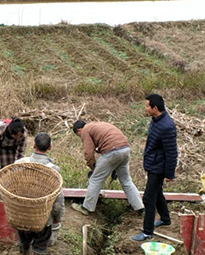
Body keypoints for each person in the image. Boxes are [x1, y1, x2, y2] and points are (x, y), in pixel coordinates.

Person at [15, 133, 64, 255]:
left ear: (33, 146)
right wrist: (57, 218)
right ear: (50, 147)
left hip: (22, 214)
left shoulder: (20, 163)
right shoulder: (53, 170)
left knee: (24, 241)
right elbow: (57, 200)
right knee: (40, 245)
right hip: (42, 218)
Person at [131, 94, 178, 242]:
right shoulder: (156, 120)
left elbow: (172, 152)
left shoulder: (166, 126)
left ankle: (147, 232)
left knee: (148, 198)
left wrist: (170, 173)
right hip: (153, 164)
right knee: (157, 194)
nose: (145, 109)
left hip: (159, 167)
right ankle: (165, 219)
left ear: (155, 108)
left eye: (147, 106)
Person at [71, 120, 144, 216]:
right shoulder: (98, 125)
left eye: (79, 136)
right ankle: (140, 207)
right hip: (125, 149)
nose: (81, 138)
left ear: (79, 130)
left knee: (95, 180)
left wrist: (93, 168)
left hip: (112, 151)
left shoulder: (85, 130)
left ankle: (86, 208)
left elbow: (88, 153)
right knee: (126, 180)